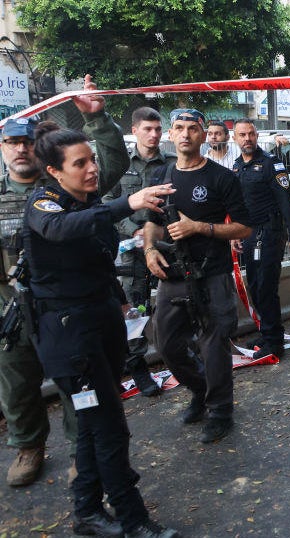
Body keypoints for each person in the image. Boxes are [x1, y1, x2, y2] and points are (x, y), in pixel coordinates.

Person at [23, 122, 180, 538]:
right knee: (108, 428)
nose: (92, 169)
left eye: (92, 159)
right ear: (55, 172)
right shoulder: (44, 204)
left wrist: (121, 303)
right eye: (80, 163)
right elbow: (61, 230)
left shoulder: (88, 200)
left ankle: (87, 511)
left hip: (100, 323)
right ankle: (133, 520)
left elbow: (96, 259)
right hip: (70, 336)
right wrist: (128, 203)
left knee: (94, 426)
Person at [0, 74, 125, 487]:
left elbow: (111, 163)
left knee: (80, 382)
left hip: (66, 308)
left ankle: (80, 452)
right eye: (11, 142)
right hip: (12, 308)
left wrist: (97, 119)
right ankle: (28, 446)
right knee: (18, 383)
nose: (20, 149)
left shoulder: (67, 187)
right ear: (2, 148)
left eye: (26, 142)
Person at [143, 108, 252, 444]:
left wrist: (199, 228)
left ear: (204, 135)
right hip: (173, 275)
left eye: (193, 128)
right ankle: (200, 389)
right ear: (171, 134)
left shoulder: (222, 177)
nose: (185, 134)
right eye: (179, 127)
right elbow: (152, 222)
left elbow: (244, 227)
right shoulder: (161, 175)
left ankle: (220, 411)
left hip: (212, 274)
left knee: (213, 345)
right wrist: (150, 249)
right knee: (166, 343)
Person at [102, 107, 176, 397]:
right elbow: (107, 204)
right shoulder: (120, 166)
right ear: (134, 131)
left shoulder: (171, 163)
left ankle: (181, 357)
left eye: (158, 129)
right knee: (135, 309)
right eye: (147, 129)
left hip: (166, 245)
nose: (154, 134)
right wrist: (133, 229)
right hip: (131, 251)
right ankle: (138, 368)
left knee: (177, 302)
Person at [229, 119, 290, 359]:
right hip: (249, 234)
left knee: (265, 287)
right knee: (255, 285)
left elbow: (285, 200)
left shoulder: (271, 163)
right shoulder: (237, 166)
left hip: (270, 233)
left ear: (256, 135)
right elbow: (238, 204)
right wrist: (235, 232)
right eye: (242, 135)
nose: (247, 138)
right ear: (235, 138)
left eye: (251, 134)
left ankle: (274, 342)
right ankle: (267, 332)